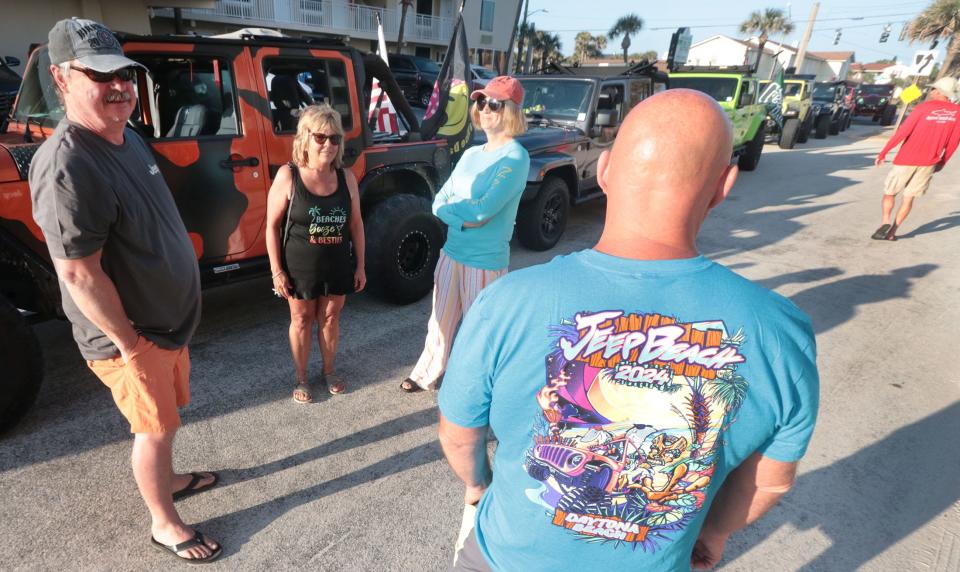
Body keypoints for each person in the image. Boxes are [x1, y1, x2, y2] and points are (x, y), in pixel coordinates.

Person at [437, 89, 820, 571]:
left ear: (604, 170)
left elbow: (459, 436)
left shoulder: (507, 301)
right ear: (724, 185)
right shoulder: (782, 333)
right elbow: (771, 480)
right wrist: (715, 532)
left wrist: (478, 486)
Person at [30, 18, 221, 563]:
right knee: (154, 428)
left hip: (165, 326)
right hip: (133, 337)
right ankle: (164, 523)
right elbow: (78, 274)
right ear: (61, 79)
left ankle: (172, 479)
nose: (120, 87)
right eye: (100, 75)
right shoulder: (68, 162)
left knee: (166, 420)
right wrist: (132, 346)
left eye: (125, 75)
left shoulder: (127, 137)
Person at [400, 76, 530, 393]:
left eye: (493, 103)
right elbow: (439, 201)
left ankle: (475, 386)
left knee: (480, 330)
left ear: (511, 110)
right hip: (452, 252)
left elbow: (481, 212)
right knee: (439, 321)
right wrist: (461, 216)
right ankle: (426, 373)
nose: (484, 109)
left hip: (484, 262)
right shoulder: (472, 154)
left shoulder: (515, 157)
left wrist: (458, 213)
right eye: (481, 102)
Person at [266, 104, 366, 403]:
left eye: (335, 139)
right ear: (305, 139)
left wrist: (360, 265)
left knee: (331, 318)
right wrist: (277, 271)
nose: (328, 145)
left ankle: (329, 370)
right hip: (299, 267)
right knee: (301, 320)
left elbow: (357, 224)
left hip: (337, 264)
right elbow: (270, 227)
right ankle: (301, 377)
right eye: (321, 137)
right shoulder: (289, 176)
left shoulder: (346, 178)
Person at [873, 76, 960, 241]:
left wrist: (884, 151)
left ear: (940, 92)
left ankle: (885, 222)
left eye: (934, 89)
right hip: (928, 163)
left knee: (889, 193)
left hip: (906, 159)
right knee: (909, 198)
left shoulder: (923, 108)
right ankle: (892, 232)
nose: (932, 92)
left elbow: (903, 132)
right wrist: (942, 161)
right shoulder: (958, 113)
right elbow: (954, 142)